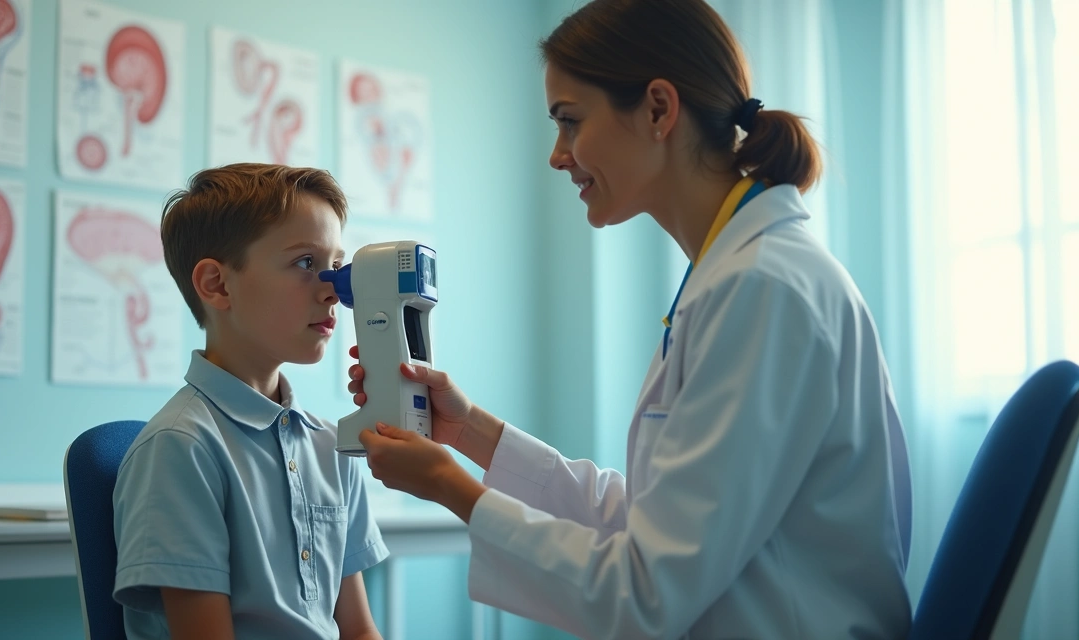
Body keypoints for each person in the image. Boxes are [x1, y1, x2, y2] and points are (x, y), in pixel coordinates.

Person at [348, 1, 913, 638]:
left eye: (569, 121)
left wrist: (452, 488)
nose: (557, 156)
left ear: (658, 110)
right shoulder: (732, 276)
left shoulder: (761, 289)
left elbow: (647, 593)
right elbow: (652, 522)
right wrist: (469, 431)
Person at [112, 164, 387, 640]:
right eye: (306, 263)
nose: (333, 290)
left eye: (337, 265)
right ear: (217, 284)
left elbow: (359, 631)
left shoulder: (333, 446)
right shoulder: (180, 448)